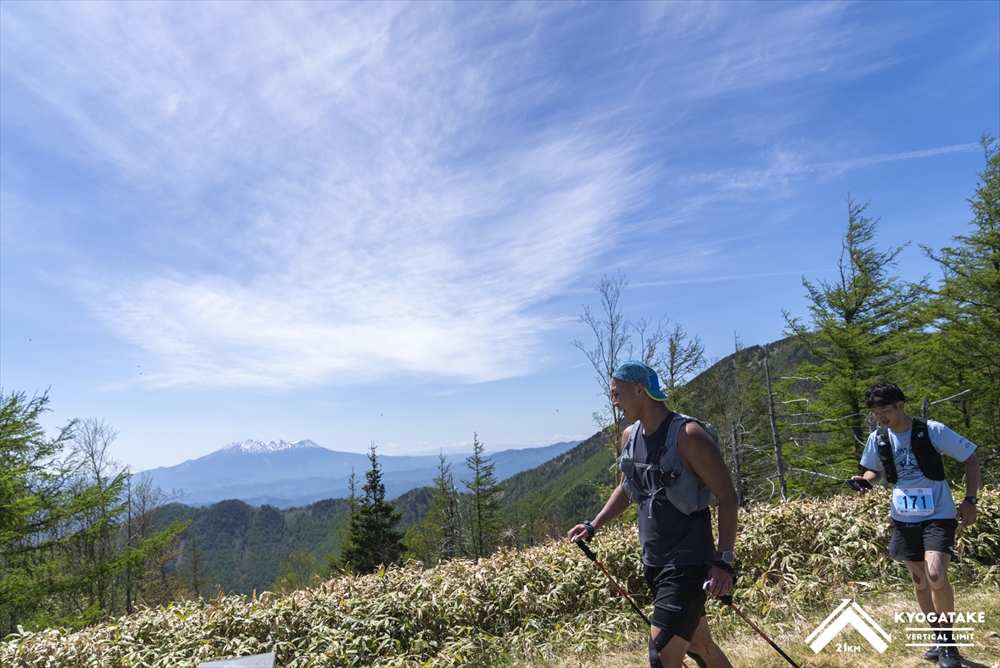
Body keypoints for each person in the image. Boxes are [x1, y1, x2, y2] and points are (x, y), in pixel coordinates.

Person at [567, 361, 738, 668]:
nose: (614, 403)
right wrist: (593, 525)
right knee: (699, 644)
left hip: (687, 564)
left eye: (616, 394)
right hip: (654, 562)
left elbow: (728, 497)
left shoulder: (688, 435)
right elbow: (627, 489)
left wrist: (723, 561)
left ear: (639, 390)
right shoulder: (630, 437)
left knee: (661, 657)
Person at [851, 380, 980, 668]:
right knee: (920, 582)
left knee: (935, 575)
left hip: (939, 514)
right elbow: (876, 472)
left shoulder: (932, 430)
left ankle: (948, 644)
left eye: (885, 411)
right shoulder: (878, 438)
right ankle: (938, 637)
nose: (880, 418)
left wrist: (970, 500)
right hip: (903, 518)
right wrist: (864, 481)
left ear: (900, 405)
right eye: (875, 413)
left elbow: (970, 459)